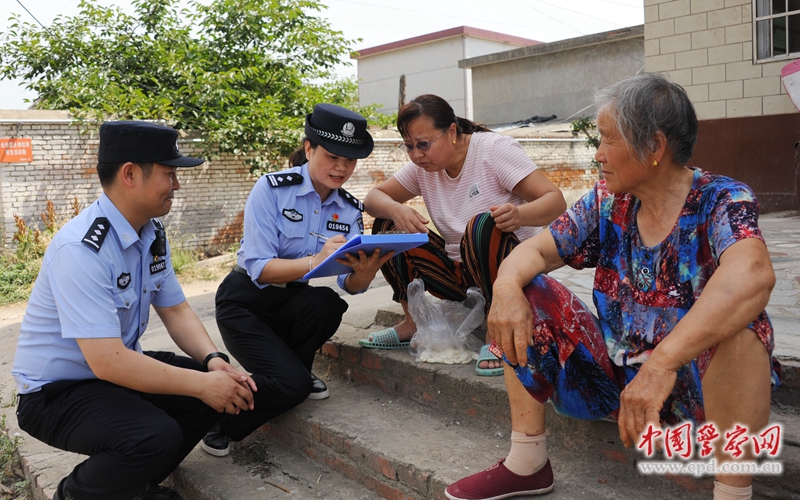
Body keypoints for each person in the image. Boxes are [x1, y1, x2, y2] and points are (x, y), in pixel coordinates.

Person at [444, 73, 779, 500]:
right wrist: (506, 286)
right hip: (619, 381)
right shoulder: (609, 199)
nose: (597, 155)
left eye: (607, 140)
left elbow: (753, 276)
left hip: (703, 393)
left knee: (742, 328)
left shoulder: (722, 200)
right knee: (528, 290)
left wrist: (664, 363)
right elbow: (537, 253)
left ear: (654, 147)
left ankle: (732, 492)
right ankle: (527, 462)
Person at [11, 121, 256, 500]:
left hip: (110, 373)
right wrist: (204, 385)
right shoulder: (81, 249)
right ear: (130, 174)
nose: (177, 185)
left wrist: (212, 361)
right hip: (56, 393)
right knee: (156, 433)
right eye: (169, 174)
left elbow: (174, 309)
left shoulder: (151, 233)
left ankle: (131, 486)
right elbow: (108, 362)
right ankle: (77, 494)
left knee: (209, 396)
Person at [203, 103, 392, 457]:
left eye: (349, 161)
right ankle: (216, 423)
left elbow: (347, 284)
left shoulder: (350, 209)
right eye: (333, 156)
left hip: (291, 301)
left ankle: (294, 372)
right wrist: (314, 259)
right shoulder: (272, 189)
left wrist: (364, 275)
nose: (341, 168)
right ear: (308, 149)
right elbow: (259, 267)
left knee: (327, 305)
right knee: (292, 387)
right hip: (245, 304)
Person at [361, 94, 566, 376]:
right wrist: (397, 210)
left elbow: (555, 201)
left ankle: (496, 334)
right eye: (408, 147)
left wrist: (521, 215)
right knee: (387, 225)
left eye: (423, 144)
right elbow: (373, 197)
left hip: (512, 276)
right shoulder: (423, 168)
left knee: (482, 225)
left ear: (453, 132)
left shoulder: (494, 151)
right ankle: (413, 323)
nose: (417, 155)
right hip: (459, 277)